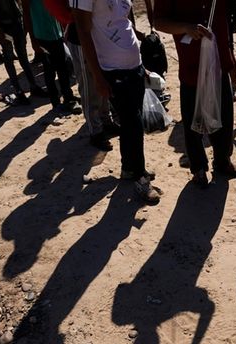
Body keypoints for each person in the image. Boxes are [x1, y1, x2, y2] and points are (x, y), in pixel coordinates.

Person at [69, 0, 162, 203]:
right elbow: (83, 32)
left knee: (130, 124)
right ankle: (140, 179)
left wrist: (140, 64)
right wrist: (98, 77)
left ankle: (129, 168)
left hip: (133, 65)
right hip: (111, 68)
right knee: (133, 123)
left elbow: (123, 21)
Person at [154, 0, 236, 188]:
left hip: (219, 57)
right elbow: (159, 22)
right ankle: (198, 168)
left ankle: (222, 162)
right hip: (192, 63)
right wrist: (186, 28)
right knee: (192, 121)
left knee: (225, 116)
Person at [0, 0, 47, 105]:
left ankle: (33, 86)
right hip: (2, 24)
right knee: (9, 57)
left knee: (23, 56)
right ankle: (19, 91)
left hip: (16, 20)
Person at [65, 21, 117, 149]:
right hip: (81, 41)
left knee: (104, 83)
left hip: (99, 39)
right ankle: (95, 132)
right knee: (89, 87)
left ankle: (105, 120)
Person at [24, 0, 81, 113]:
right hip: (42, 35)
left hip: (56, 34)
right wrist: (33, 40)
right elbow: (26, 15)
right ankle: (55, 102)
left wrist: (63, 30)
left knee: (63, 68)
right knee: (49, 70)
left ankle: (68, 97)